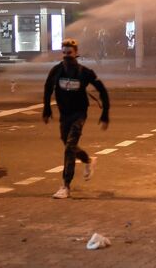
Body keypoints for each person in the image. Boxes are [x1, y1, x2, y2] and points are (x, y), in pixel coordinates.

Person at [43, 38, 110, 199]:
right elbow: (47, 88)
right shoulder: (56, 71)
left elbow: (102, 90)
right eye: (64, 53)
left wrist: (105, 113)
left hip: (79, 114)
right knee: (68, 144)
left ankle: (65, 185)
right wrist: (46, 109)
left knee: (70, 146)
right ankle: (88, 160)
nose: (67, 56)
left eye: (70, 53)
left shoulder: (85, 72)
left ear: (76, 53)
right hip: (64, 114)